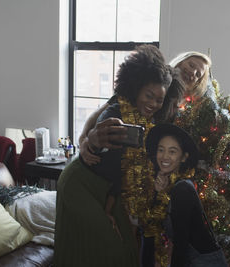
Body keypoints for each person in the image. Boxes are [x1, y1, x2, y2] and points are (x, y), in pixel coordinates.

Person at [53, 45, 184, 267]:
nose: (153, 104)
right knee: (111, 250)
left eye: (159, 100)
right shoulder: (115, 114)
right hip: (81, 185)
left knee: (127, 252)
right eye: (148, 96)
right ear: (136, 88)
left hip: (108, 188)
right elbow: (109, 156)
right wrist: (89, 142)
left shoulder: (145, 119)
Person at [79, 51, 212, 166]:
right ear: (181, 61)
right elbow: (101, 113)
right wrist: (84, 139)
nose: (192, 72)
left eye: (198, 74)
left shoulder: (191, 108)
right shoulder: (153, 79)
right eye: (191, 65)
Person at [145, 123, 228, 267]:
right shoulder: (171, 185)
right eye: (161, 150)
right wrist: (159, 193)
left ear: (183, 157)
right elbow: (154, 224)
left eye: (172, 151)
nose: (164, 156)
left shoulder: (181, 189)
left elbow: (181, 245)